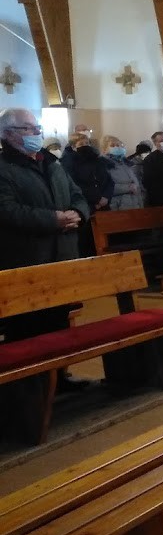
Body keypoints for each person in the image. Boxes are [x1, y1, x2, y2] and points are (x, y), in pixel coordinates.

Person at [0, 109, 90, 389]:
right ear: (8, 134)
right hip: (26, 259)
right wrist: (54, 220)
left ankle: (59, 378)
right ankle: (27, 387)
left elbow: (77, 194)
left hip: (61, 255)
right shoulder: (3, 168)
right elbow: (7, 210)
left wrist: (78, 213)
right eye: (28, 128)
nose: (36, 133)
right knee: (28, 326)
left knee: (58, 320)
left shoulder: (51, 162)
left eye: (36, 127)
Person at [102, 135, 143, 210]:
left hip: (134, 204)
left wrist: (140, 205)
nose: (117, 147)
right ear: (105, 149)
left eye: (118, 145)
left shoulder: (125, 163)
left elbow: (136, 185)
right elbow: (105, 187)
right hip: (118, 207)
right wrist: (128, 188)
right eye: (112, 146)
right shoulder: (104, 164)